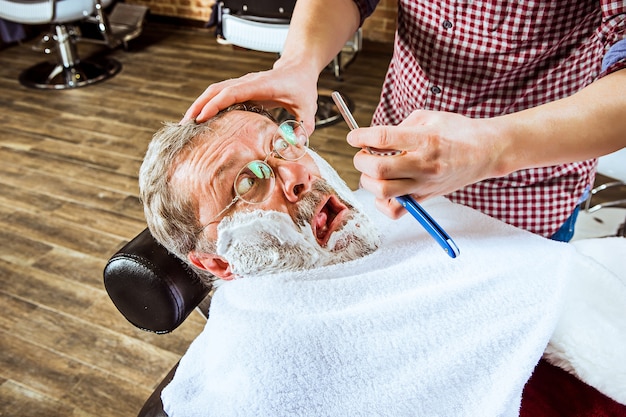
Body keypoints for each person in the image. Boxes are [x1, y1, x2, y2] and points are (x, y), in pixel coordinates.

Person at [139, 105, 626, 417]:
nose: (298, 176)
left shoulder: (384, 205)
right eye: (247, 183)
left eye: (282, 142)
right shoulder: (253, 368)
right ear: (219, 264)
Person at [181, 0, 626, 242]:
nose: (297, 173)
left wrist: (493, 147)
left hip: (526, 191)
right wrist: (299, 62)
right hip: (392, 164)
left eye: (279, 151)